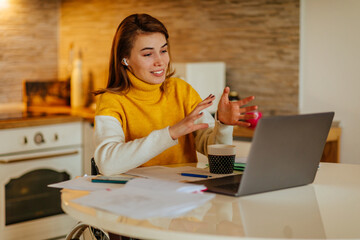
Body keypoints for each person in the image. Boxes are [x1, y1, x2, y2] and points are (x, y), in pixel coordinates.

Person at [93, 13, 257, 176]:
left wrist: (223, 125)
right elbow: (107, 164)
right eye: (148, 54)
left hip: (183, 192)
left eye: (163, 50)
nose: (160, 61)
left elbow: (212, 148)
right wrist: (170, 133)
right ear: (125, 59)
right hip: (135, 196)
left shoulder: (181, 90)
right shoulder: (112, 101)